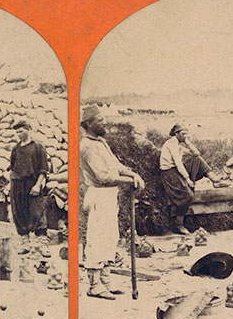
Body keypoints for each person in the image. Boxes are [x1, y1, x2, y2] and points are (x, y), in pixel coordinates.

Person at [79, 105, 144, 299]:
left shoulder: (100, 142)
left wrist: (132, 174)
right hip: (99, 195)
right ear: (88, 124)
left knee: (109, 238)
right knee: (97, 240)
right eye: (100, 120)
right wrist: (130, 181)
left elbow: (116, 166)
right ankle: (94, 286)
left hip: (109, 196)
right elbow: (103, 177)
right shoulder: (87, 147)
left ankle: (105, 281)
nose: (104, 122)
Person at [159, 124, 224, 235]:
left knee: (197, 159)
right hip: (169, 173)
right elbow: (178, 164)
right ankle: (178, 224)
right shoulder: (172, 144)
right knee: (188, 195)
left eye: (187, 134)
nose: (185, 136)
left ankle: (214, 180)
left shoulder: (179, 144)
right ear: (176, 134)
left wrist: (187, 142)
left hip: (176, 170)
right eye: (183, 134)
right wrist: (187, 179)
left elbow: (196, 153)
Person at [8, 119, 49, 241]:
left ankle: (41, 241)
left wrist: (37, 186)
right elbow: (12, 167)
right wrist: (9, 185)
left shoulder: (38, 147)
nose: (19, 134)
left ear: (28, 130)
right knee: (19, 212)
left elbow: (43, 169)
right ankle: (24, 240)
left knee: (37, 211)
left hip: (32, 183)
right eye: (17, 132)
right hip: (17, 184)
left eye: (21, 131)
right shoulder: (15, 148)